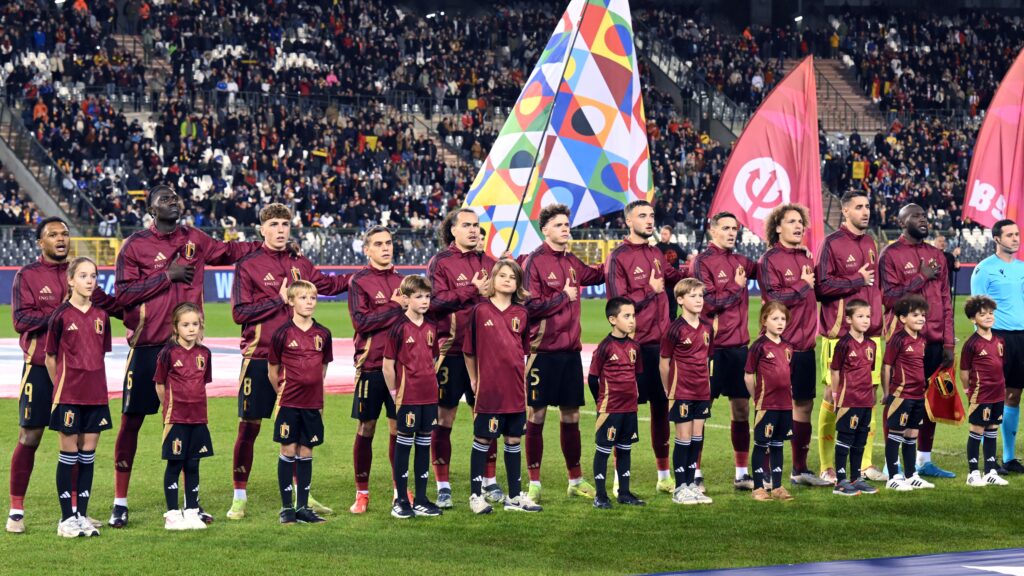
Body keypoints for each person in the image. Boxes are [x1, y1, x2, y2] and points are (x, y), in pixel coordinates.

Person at [111, 184, 262, 528]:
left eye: (175, 197)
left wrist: (264, 244)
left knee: (189, 427)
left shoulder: (195, 238)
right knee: (131, 424)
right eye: (164, 199)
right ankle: (120, 501)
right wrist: (167, 276)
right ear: (150, 209)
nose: (172, 202)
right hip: (148, 348)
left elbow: (229, 250)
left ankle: (190, 503)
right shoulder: (135, 246)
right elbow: (122, 296)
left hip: (187, 351)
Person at [227, 203, 348, 520]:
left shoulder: (300, 264)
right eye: (275, 224)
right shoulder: (249, 265)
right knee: (249, 427)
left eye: (285, 224)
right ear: (262, 229)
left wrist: (363, 277)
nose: (281, 229)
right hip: (259, 357)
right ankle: (239, 495)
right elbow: (239, 313)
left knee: (299, 433)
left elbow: (330, 286)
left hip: (298, 363)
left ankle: (301, 495)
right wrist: (276, 300)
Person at [7, 218, 119, 534]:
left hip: (79, 376)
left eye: (65, 234)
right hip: (41, 368)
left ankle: (74, 512)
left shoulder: (81, 276)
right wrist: (63, 313)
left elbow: (112, 305)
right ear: (40, 242)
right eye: (53, 234)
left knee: (80, 443)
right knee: (30, 436)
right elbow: (20, 319)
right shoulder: (27, 276)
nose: (61, 238)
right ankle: (16, 509)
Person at [521, 204, 605, 503]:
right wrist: (562, 297)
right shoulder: (534, 262)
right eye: (559, 225)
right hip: (542, 351)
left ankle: (575, 480)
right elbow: (528, 307)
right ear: (545, 230)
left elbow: (594, 275)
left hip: (570, 352)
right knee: (537, 415)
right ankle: (534, 482)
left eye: (567, 224)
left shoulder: (570, 260)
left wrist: (622, 257)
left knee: (571, 416)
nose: (566, 228)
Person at [607, 200, 686, 494]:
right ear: (629, 221)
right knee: (623, 411)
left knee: (661, 409)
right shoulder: (618, 257)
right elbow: (617, 304)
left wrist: (696, 268)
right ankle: (619, 479)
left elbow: (673, 277)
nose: (649, 220)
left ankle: (664, 476)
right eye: (642, 215)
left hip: (660, 344)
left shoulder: (655, 252)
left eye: (652, 215)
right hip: (631, 347)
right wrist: (649, 291)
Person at [878, 203, 955, 479]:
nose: (923, 219)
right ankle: (891, 464)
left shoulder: (937, 255)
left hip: (935, 341)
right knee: (899, 400)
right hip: (905, 341)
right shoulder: (891, 255)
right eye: (915, 216)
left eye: (924, 215)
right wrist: (920, 277)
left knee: (928, 402)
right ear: (901, 222)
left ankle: (924, 460)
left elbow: (945, 300)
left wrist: (949, 342)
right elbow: (889, 299)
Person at [427, 209, 497, 509]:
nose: (473, 230)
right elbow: (434, 302)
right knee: (445, 418)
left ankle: (489, 480)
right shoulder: (440, 262)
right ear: (452, 230)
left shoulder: (490, 263)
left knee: (487, 416)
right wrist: (472, 290)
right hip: (451, 353)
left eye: (476, 226)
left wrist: (508, 273)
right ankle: (443, 484)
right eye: (466, 225)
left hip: (487, 354)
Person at [815, 190, 886, 484]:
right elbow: (821, 287)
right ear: (845, 211)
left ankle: (865, 463)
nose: (865, 211)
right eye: (859, 207)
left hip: (871, 337)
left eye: (867, 206)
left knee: (867, 397)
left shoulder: (870, 242)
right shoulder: (831, 244)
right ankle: (827, 465)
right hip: (839, 335)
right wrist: (856, 279)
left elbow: (876, 288)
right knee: (834, 397)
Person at [758, 204, 830, 487]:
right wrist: (802, 285)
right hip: (777, 349)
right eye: (791, 221)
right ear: (778, 227)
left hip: (804, 347)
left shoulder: (805, 258)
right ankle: (763, 472)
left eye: (801, 222)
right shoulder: (769, 260)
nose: (798, 226)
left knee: (803, 405)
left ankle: (799, 470)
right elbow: (774, 298)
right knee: (772, 407)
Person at [463, 259, 541, 514]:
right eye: (503, 275)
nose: (508, 280)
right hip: (489, 389)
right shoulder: (480, 311)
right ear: (493, 279)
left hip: (515, 389)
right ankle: (476, 496)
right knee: (483, 438)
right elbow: (469, 351)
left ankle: (515, 497)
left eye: (513, 277)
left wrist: (522, 380)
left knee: (513, 438)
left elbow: (525, 353)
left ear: (518, 284)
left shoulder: (522, 313)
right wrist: (474, 380)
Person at [45, 257, 112, 538]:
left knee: (88, 456)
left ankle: (82, 515)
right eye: (83, 275)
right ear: (70, 280)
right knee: (68, 455)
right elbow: (50, 358)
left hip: (96, 396)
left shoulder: (102, 316)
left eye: (93, 276)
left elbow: (99, 355)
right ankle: (66, 519)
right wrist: (62, 386)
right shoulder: (60, 316)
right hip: (69, 395)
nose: (89, 281)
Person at [692, 212, 759, 490]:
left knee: (741, 408)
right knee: (700, 411)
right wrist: (736, 286)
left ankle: (742, 472)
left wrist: (793, 250)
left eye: (735, 228)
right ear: (713, 232)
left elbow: (766, 268)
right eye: (726, 228)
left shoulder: (741, 261)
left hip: (739, 348)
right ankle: (694, 472)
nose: (732, 233)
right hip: (711, 349)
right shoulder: (702, 262)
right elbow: (707, 302)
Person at [346, 226, 404, 515]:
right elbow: (362, 323)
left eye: (389, 243)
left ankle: (399, 491)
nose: (386, 248)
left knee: (398, 428)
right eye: (379, 244)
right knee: (366, 427)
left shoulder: (404, 281)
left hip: (400, 369)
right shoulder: (359, 281)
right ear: (366, 249)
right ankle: (362, 493)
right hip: (370, 366)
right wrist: (395, 306)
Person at [268, 280, 334, 525]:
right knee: (288, 450)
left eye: (312, 298)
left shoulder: (323, 334)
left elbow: (323, 367)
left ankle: (303, 507)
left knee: (306, 451)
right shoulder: (282, 333)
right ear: (291, 301)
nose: (309, 302)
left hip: (313, 403)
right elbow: (272, 371)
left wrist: (313, 389)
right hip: (288, 402)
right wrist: (285, 392)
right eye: (303, 298)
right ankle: (286, 508)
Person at [383, 275, 443, 519]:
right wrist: (396, 393)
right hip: (407, 397)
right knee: (403, 446)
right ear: (405, 299)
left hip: (428, 396)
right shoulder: (398, 328)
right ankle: (400, 500)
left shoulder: (431, 327)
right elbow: (388, 366)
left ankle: (420, 498)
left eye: (427, 296)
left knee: (424, 445)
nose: (424, 301)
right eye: (418, 296)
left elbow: (435, 358)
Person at [970, 219, 1024, 474]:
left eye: (1017, 234)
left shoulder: (1022, 268)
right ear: (997, 239)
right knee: (990, 395)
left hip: (1021, 338)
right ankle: (982, 458)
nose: (1016, 238)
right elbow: (975, 309)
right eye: (1010, 235)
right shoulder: (984, 269)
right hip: (996, 338)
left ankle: (1009, 458)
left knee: (1014, 395)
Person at [155, 303, 213, 531]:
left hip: (198, 417)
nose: (191, 329)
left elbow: (202, 384)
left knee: (193, 464)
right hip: (176, 418)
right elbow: (160, 385)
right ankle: (172, 514)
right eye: (186, 324)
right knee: (174, 463)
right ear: (176, 328)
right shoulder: (167, 353)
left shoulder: (204, 354)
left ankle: (191, 511)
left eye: (195, 324)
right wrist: (170, 408)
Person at [660, 278, 714, 505]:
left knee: (696, 438)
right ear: (680, 300)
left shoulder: (707, 328)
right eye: (693, 296)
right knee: (682, 439)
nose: (698, 300)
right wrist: (668, 388)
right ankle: (679, 488)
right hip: (681, 391)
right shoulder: (674, 329)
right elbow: (664, 362)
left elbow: (707, 358)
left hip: (702, 391)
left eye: (700, 295)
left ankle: (692, 484)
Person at [589, 297, 645, 509]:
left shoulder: (634, 347)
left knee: (625, 449)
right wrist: (601, 402)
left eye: (633, 316)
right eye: (626, 316)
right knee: (603, 450)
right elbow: (593, 379)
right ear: (613, 319)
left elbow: (636, 375)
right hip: (609, 409)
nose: (632, 320)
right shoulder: (604, 347)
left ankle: (624, 492)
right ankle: (601, 495)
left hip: (629, 408)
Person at [882, 295, 936, 491]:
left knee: (912, 434)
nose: (921, 318)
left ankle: (911, 475)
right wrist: (886, 392)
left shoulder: (922, 340)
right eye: (915, 315)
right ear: (903, 318)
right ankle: (893, 476)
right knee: (896, 433)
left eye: (923, 315)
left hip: (918, 395)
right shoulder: (897, 339)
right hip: (901, 394)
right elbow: (886, 366)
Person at [744, 301, 795, 502]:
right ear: (765, 320)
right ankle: (758, 487)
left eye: (783, 318)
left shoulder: (788, 346)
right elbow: (748, 376)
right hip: (766, 404)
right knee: (761, 444)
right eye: (775, 318)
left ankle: (777, 486)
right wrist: (756, 398)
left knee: (778, 444)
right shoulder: (758, 346)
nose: (780, 322)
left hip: (785, 404)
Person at [828, 299, 879, 497]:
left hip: (866, 400)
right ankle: (840, 482)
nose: (865, 320)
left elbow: (867, 372)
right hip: (848, 400)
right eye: (860, 316)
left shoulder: (871, 345)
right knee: (845, 439)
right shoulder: (843, 344)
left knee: (860, 440)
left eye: (868, 316)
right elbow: (834, 371)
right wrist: (835, 394)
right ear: (848, 319)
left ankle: (856, 478)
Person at [960, 296, 1010, 487]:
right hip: (980, 394)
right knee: (977, 430)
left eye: (990, 313)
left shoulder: (999, 340)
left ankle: (990, 471)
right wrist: (967, 389)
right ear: (973, 319)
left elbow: (1000, 365)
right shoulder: (971, 344)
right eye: (983, 314)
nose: (988, 317)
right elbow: (964, 371)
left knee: (992, 431)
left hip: (998, 393)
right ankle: (973, 473)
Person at [656, 226, 686, 319]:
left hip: (675, 284)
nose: (663, 236)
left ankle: (672, 329)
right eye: (662, 234)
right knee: (662, 310)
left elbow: (686, 256)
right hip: (663, 283)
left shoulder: (675, 246)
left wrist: (696, 258)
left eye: (665, 234)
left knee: (673, 310)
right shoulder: (657, 248)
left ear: (670, 235)